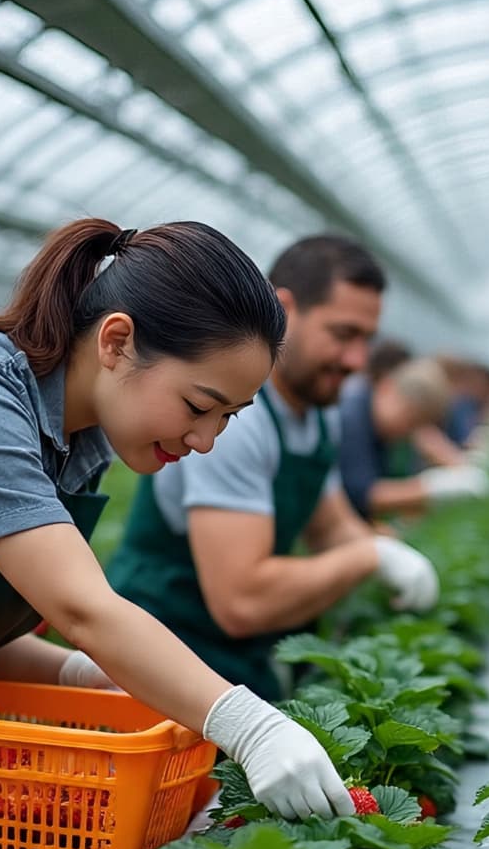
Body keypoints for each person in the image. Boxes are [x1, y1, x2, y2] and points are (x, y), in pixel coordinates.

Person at [0, 219, 358, 849]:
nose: (205, 442)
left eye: (229, 420)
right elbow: (82, 605)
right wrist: (244, 721)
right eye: (200, 406)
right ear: (117, 341)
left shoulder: (76, 443)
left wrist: (81, 675)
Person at [108, 235, 438, 702]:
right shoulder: (234, 419)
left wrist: (387, 550)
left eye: (367, 340)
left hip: (235, 664)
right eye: (344, 335)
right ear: (284, 309)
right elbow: (242, 601)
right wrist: (370, 558)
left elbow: (330, 527)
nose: (357, 361)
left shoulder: (318, 411)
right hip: (158, 665)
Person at [338, 355, 489, 517]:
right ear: (387, 387)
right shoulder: (353, 417)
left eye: (416, 425)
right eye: (409, 418)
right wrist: (432, 487)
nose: (406, 431)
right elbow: (363, 494)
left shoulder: (381, 431)